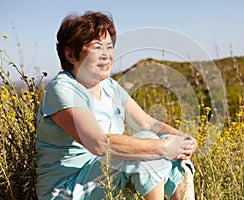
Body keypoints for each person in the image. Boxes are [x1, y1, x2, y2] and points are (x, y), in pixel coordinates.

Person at [35, 11, 197, 200]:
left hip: (102, 178)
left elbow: (147, 123)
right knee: (149, 148)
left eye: (109, 47)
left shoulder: (110, 86)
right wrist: (162, 147)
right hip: (67, 189)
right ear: (71, 54)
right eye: (97, 47)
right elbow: (99, 143)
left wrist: (182, 140)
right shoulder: (62, 89)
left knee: (176, 155)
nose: (106, 55)